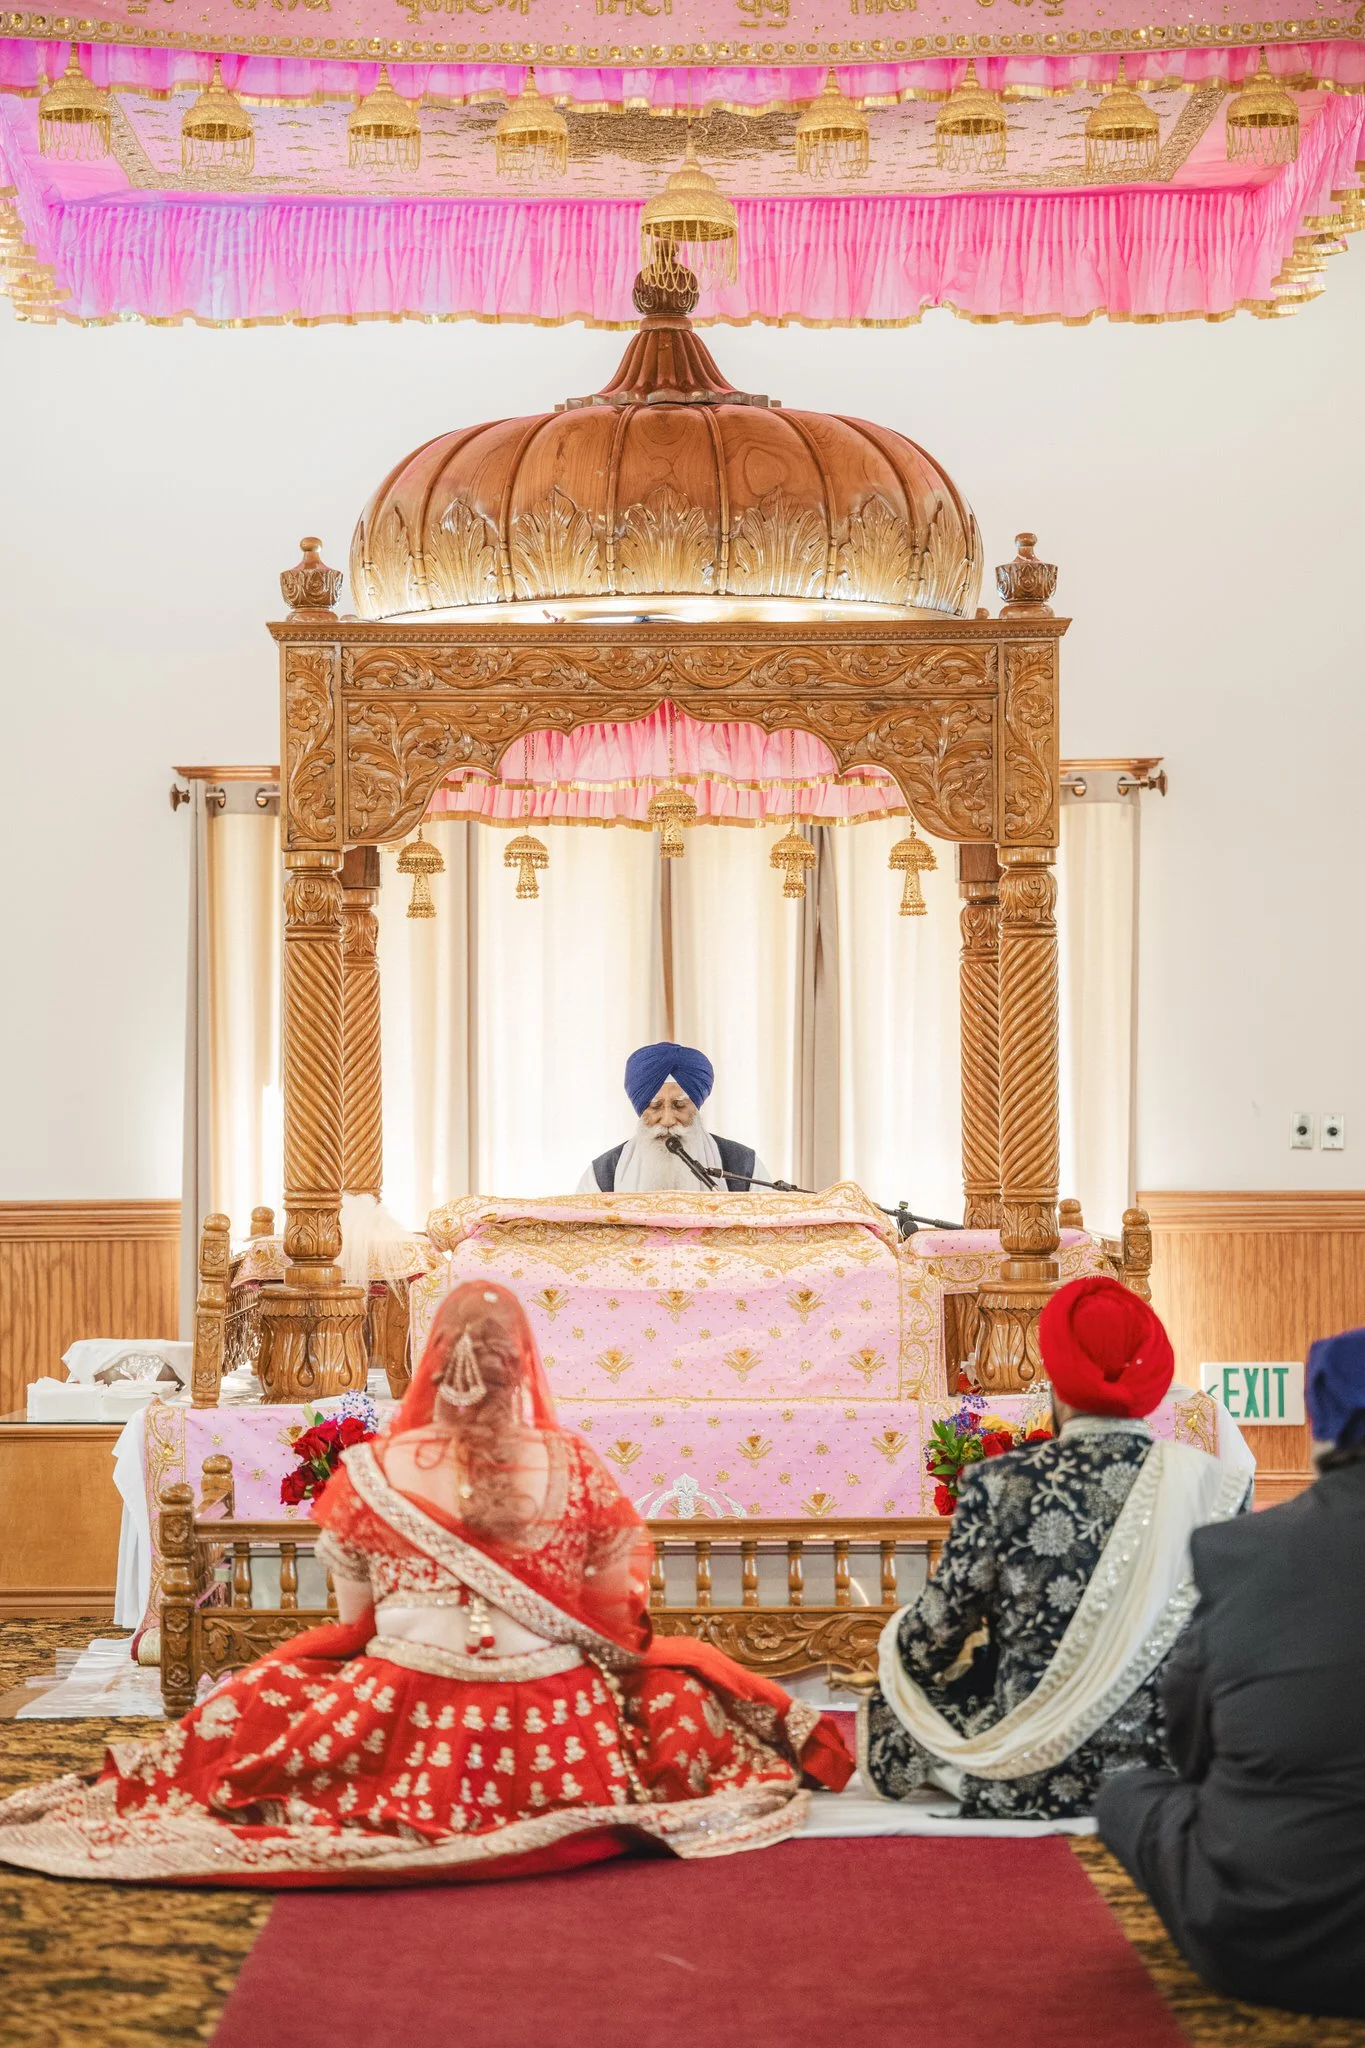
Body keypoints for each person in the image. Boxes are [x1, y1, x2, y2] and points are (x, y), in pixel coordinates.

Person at [0, 1282, 851, 1887]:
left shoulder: (369, 1471)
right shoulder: (577, 1466)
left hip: (401, 1705)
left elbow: (359, 1627)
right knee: (674, 1693)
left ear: (433, 1366)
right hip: (554, 1724)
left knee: (263, 1712)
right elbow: (617, 1618)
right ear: (523, 1368)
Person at [859, 1276, 1254, 1820]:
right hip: (1177, 1762)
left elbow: (930, 1641)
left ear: (1057, 1376)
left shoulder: (1002, 1484)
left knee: (899, 1683)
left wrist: (901, 1659)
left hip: (1038, 1768)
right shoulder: (1215, 1485)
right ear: (1153, 1376)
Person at [1097, 1325, 1365, 2018]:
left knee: (1126, 1793)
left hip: (1279, 1939)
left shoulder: (1242, 1550)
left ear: (1320, 1422)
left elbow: (1189, 1740)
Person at [577, 1041, 770, 1194]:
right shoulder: (602, 1176)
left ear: (696, 1107)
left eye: (680, 1105)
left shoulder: (744, 1167)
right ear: (641, 1109)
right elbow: (583, 1240)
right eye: (655, 1106)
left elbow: (772, 1235)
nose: (668, 1120)